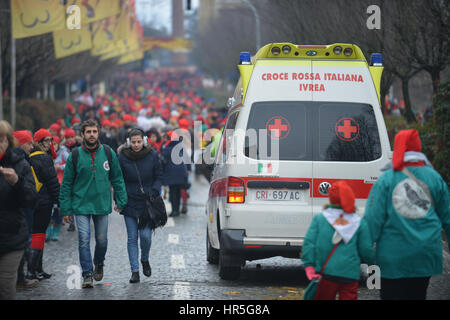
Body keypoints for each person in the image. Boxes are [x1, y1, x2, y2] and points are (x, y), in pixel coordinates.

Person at [363, 129, 450, 300]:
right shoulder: (435, 178)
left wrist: (366, 256)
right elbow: (447, 218)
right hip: (425, 257)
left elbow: (371, 222)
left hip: (392, 259)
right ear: (418, 149)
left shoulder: (386, 180)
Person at [59, 119, 128, 288]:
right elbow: (66, 183)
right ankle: (87, 274)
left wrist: (121, 200)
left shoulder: (108, 152)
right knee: (83, 239)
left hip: (101, 204)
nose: (91, 135)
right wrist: (66, 208)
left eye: (94, 131)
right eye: (88, 132)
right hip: (81, 204)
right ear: (82, 134)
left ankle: (99, 262)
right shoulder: (74, 155)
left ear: (98, 133)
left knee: (102, 240)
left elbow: (117, 178)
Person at [302, 181, 375, 300]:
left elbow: (309, 244)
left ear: (331, 197)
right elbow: (366, 249)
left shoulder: (320, 219)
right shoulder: (359, 222)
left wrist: (309, 265)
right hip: (350, 274)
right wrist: (374, 262)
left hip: (326, 273)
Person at [117, 128, 163, 283]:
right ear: (129, 143)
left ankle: (144, 259)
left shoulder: (152, 155)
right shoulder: (122, 157)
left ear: (144, 141)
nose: (136, 145)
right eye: (133, 142)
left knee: (145, 236)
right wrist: (118, 199)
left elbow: (159, 175)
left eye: (139, 141)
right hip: (129, 200)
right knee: (132, 238)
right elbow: (118, 180)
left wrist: (155, 190)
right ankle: (134, 271)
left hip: (147, 201)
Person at [0, 121, 37, 299]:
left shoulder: (19, 164)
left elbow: (30, 198)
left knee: (6, 286)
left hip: (11, 237)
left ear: (9, 142)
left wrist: (16, 182)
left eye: (2, 140)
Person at [27, 129, 60, 281]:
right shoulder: (45, 158)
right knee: (39, 234)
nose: (49, 143)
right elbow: (53, 184)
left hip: (31, 201)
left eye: (50, 140)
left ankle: (38, 269)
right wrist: (61, 202)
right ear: (39, 142)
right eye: (46, 140)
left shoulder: (29, 156)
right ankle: (33, 270)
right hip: (44, 201)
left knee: (35, 234)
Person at [12, 130, 39, 288]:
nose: (31, 146)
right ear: (20, 143)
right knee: (23, 240)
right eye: (29, 143)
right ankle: (20, 277)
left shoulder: (22, 159)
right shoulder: (21, 162)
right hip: (22, 208)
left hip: (21, 207)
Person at [162, 131, 189, 217]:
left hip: (171, 173)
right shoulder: (181, 146)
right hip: (181, 172)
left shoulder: (167, 148)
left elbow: (163, 160)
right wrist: (188, 170)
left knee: (173, 193)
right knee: (178, 192)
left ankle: (175, 210)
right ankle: (177, 209)